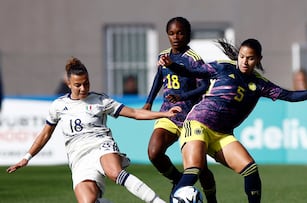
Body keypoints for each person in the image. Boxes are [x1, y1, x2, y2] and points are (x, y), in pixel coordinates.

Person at [158, 38, 307, 203]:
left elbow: (290, 95)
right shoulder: (223, 67)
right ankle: (176, 196)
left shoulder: (260, 84)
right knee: (194, 170)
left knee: (250, 169)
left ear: (258, 59)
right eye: (242, 56)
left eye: (250, 58)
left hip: (222, 135)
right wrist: (172, 65)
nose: (244, 61)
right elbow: (191, 71)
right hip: (198, 124)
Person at [6, 57, 182, 203]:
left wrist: (164, 114)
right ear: (68, 84)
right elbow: (45, 134)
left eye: (86, 83)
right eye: (78, 85)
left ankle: (158, 202)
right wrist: (26, 158)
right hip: (78, 156)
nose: (83, 88)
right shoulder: (58, 106)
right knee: (89, 201)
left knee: (115, 172)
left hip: (101, 144)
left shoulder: (100, 100)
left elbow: (135, 112)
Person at [143, 17, 217, 203]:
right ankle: (177, 181)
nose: (175, 37)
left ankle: (212, 200)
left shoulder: (193, 59)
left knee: (201, 168)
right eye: (171, 33)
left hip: (191, 118)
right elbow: (159, 78)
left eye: (180, 32)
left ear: (188, 35)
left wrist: (182, 97)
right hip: (169, 113)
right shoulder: (164, 55)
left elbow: (204, 86)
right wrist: (149, 102)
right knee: (154, 152)